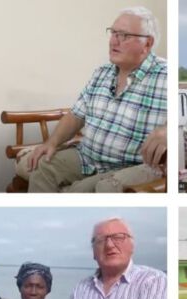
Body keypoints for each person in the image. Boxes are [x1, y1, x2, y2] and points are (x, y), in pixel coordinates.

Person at [27, 7, 167, 193]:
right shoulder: (102, 72)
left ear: (147, 44)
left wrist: (168, 130)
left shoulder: (166, 76)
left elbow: (181, 121)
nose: (113, 40)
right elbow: (76, 116)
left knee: (82, 191)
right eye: (113, 32)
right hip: (88, 157)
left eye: (124, 35)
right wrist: (51, 142)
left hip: (131, 166)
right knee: (41, 168)